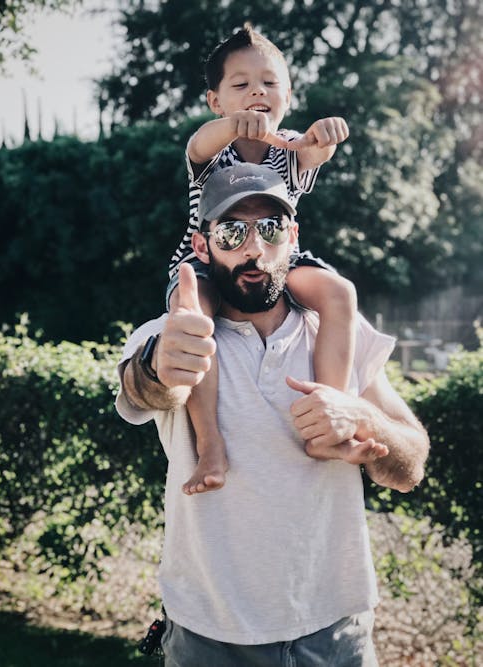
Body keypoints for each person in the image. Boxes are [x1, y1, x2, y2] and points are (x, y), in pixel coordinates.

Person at [116, 163, 429, 667]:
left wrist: (361, 418)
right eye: (232, 231)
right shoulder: (175, 331)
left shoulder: (342, 334)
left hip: (338, 634)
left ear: (293, 236)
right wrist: (159, 365)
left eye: (270, 228)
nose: (253, 249)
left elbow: (411, 465)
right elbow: (146, 388)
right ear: (202, 246)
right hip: (211, 639)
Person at [167, 24, 369, 495]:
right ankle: (210, 442)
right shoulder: (212, 150)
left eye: (269, 83)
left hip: (281, 254)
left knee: (340, 292)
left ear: (288, 95)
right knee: (193, 316)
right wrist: (234, 126)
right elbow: (197, 143)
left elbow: (318, 150)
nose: (257, 90)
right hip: (208, 257)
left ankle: (329, 412)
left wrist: (327, 134)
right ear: (216, 101)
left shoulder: (293, 147)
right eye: (240, 85)